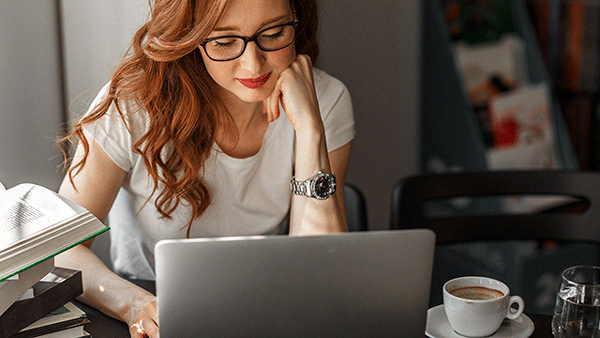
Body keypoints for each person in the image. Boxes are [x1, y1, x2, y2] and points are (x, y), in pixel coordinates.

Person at [56, 0, 354, 336]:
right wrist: (134, 304)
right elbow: (60, 251)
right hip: (151, 305)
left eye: (273, 33)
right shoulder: (133, 103)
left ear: (298, 22)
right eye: (224, 42)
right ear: (190, 39)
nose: (253, 64)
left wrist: (310, 129)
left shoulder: (324, 99)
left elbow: (321, 274)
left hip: (265, 309)